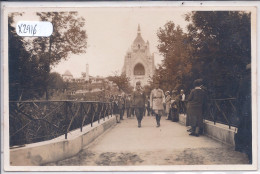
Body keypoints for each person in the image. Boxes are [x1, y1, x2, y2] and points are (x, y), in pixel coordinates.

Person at [235, 64, 252, 163]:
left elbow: (239, 98)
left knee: (248, 133)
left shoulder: (244, 81)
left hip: (247, 112)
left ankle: (250, 156)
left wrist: (238, 113)